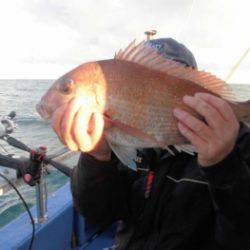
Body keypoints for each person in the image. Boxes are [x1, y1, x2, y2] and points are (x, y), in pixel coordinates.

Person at [70, 38, 250, 249]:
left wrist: (224, 165)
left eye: (172, 77)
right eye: (141, 82)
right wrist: (97, 157)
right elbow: (98, 214)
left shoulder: (239, 142)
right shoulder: (120, 140)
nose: (151, 94)